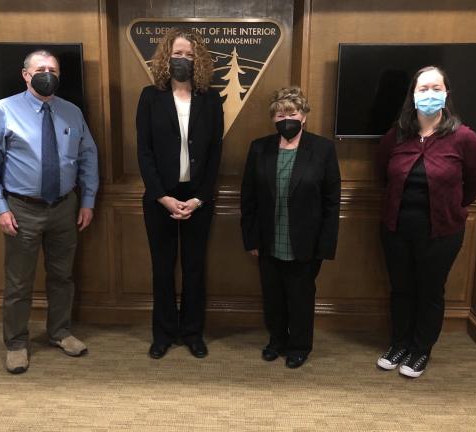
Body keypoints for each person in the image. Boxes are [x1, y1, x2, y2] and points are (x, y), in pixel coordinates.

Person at [0, 50, 99, 374]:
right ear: (26, 75)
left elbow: (88, 157)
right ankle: (16, 344)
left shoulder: (72, 112)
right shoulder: (3, 111)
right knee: (19, 282)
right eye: (41, 69)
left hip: (65, 208)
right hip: (21, 209)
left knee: (62, 276)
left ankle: (59, 332)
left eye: (53, 69)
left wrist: (87, 200)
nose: (48, 73)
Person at [376, 65, 476, 378]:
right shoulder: (396, 135)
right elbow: (382, 174)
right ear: (412, 95)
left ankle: (420, 350)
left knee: (429, 291)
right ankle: (399, 344)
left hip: (441, 233)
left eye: (435, 88)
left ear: (446, 94)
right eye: (422, 89)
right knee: (401, 289)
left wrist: (451, 207)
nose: (429, 94)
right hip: (396, 228)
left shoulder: (465, 139)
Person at [136, 28, 223, 359]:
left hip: (197, 197)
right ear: (165, 57)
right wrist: (161, 196)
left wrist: (199, 198)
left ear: (197, 59)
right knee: (162, 268)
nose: (182, 59)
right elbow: (143, 151)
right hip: (160, 197)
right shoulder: (150, 96)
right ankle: (163, 334)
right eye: (177, 54)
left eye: (188, 54)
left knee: (195, 268)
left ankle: (192, 333)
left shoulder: (210, 99)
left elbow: (216, 151)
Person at [240, 87, 341, 369]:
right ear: (273, 118)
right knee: (272, 295)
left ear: (304, 116)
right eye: (280, 114)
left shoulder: (322, 149)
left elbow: (332, 202)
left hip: (306, 242)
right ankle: (276, 341)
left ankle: (299, 345)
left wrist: (325, 245)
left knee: (300, 297)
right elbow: (248, 197)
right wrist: (251, 239)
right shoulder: (259, 148)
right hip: (268, 238)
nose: (286, 119)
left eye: (292, 113)